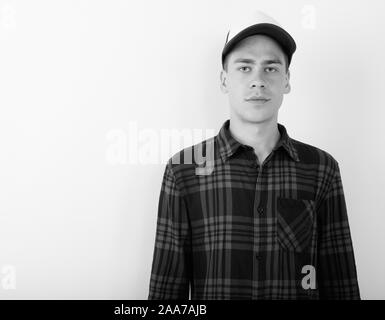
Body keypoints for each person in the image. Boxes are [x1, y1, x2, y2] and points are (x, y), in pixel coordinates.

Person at [148, 11, 360, 299]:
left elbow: (340, 282)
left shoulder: (322, 169)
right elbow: (166, 291)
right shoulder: (184, 170)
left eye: (271, 68)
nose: (258, 80)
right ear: (224, 80)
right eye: (245, 67)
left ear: (286, 80)